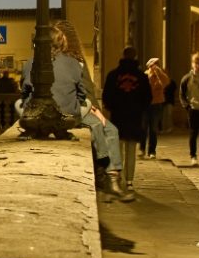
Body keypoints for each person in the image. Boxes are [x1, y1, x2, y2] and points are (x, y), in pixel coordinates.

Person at [21, 20, 131, 200]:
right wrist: (93, 110)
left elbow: (25, 91)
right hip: (73, 111)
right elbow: (84, 93)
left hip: (58, 111)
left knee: (107, 129)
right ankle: (110, 179)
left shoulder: (38, 63)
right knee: (108, 129)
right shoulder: (73, 62)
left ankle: (111, 179)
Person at [102, 46, 152, 190]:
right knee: (131, 150)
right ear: (135, 57)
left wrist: (113, 108)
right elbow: (147, 97)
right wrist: (140, 109)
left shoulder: (113, 75)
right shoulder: (142, 77)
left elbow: (107, 96)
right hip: (134, 117)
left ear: (123, 56)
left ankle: (118, 178)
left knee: (117, 149)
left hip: (118, 116)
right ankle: (129, 181)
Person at [143, 57, 171, 159]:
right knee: (143, 127)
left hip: (157, 104)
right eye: (154, 65)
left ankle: (152, 151)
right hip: (145, 105)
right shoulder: (145, 75)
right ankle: (142, 148)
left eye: (157, 65)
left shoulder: (160, 76)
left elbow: (166, 82)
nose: (156, 67)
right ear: (149, 66)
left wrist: (159, 73)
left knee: (153, 129)